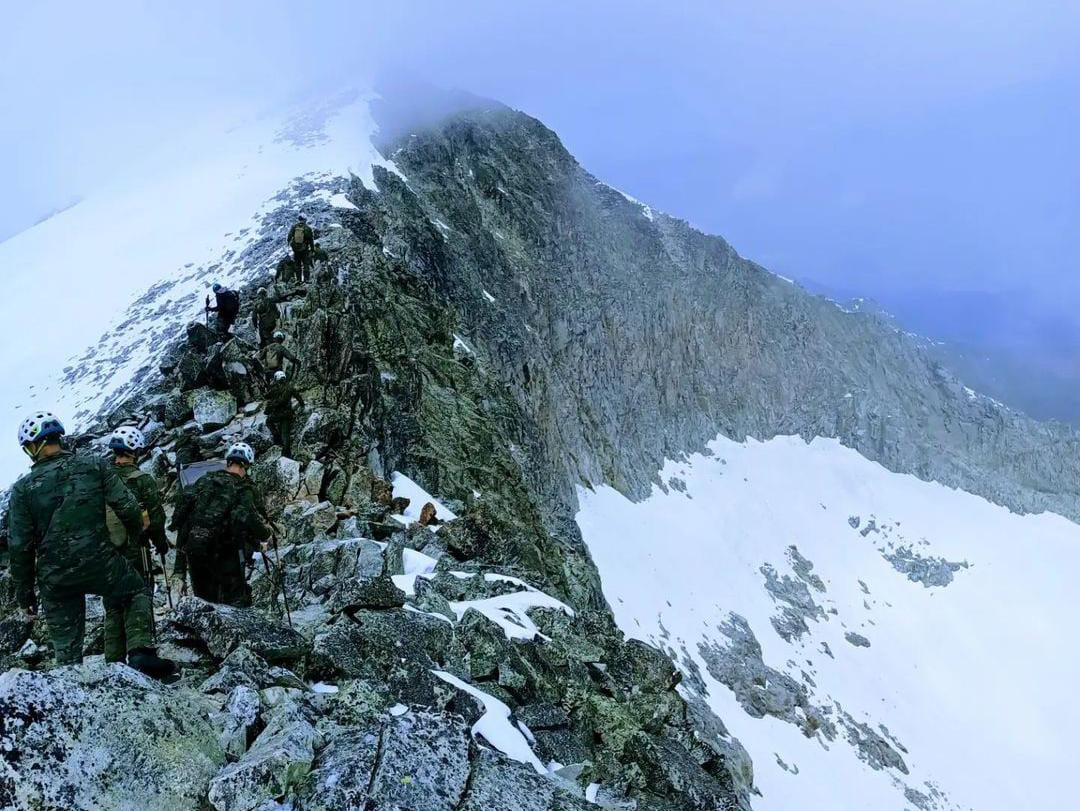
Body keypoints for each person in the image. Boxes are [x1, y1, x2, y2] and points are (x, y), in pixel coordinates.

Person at [7, 412, 176, 677]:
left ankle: (72, 686)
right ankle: (140, 653)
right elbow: (128, 507)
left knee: (66, 652)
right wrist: (137, 536)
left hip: (55, 578)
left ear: (33, 446)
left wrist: (25, 596)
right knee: (136, 590)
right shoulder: (94, 466)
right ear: (58, 439)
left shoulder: (22, 490)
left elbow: (20, 547)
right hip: (101, 562)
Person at [171, 442, 268, 607]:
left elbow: (184, 520)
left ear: (228, 461)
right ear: (246, 466)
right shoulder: (243, 489)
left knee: (205, 606)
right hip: (225, 555)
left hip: (196, 553)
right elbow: (249, 520)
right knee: (235, 606)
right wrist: (265, 536)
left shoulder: (203, 481)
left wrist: (179, 569)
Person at [102, 426, 170, 664]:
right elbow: (156, 519)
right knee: (139, 593)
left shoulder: (102, 480)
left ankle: (113, 660)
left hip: (105, 552)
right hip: (134, 549)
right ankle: (140, 651)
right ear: (135, 451)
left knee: (112, 604)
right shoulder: (141, 480)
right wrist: (161, 543)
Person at [265, 371, 305, 457]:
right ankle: (287, 454)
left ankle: (276, 435)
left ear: (276, 379)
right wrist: (302, 406)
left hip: (277, 414)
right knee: (285, 434)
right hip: (287, 414)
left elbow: (267, 398)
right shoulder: (290, 388)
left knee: (268, 421)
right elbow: (300, 399)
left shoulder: (274, 389)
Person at [287, 215, 315, 283]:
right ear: (305, 220)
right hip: (304, 249)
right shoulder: (308, 228)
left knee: (297, 264)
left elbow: (289, 236)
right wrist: (312, 249)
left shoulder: (294, 227)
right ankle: (306, 280)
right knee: (306, 264)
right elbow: (311, 240)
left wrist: (290, 244)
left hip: (296, 249)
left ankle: (299, 280)